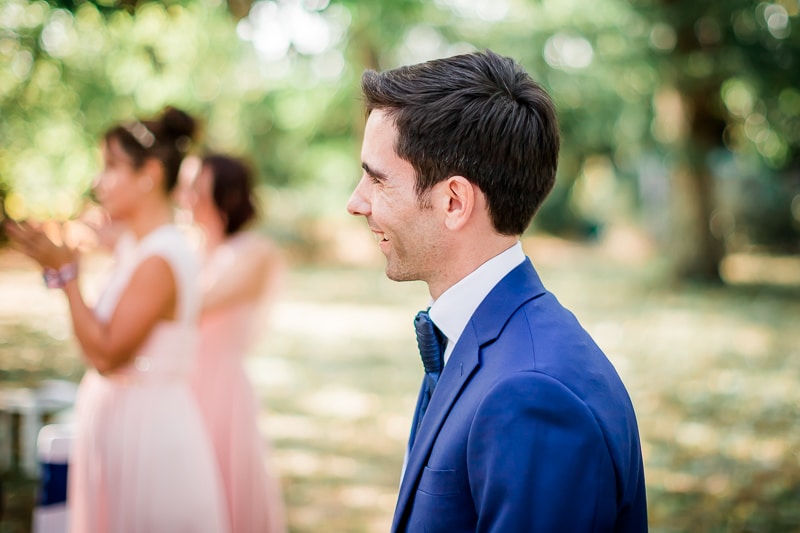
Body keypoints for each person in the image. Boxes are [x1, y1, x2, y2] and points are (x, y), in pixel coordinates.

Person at [346, 50, 648, 532]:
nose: (355, 201)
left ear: (453, 201)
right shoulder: (484, 338)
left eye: (377, 180)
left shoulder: (532, 396)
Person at [5, 107, 229, 532]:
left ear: (149, 174)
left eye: (110, 167)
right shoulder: (137, 247)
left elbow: (106, 354)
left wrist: (68, 277)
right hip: (124, 417)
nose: (97, 182)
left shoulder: (160, 259)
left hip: (147, 431)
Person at [181, 154, 287, 533]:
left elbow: (195, 305)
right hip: (178, 383)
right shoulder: (187, 248)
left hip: (220, 388)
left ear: (223, 191)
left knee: (221, 480)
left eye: (195, 186)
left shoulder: (255, 251)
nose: (184, 196)